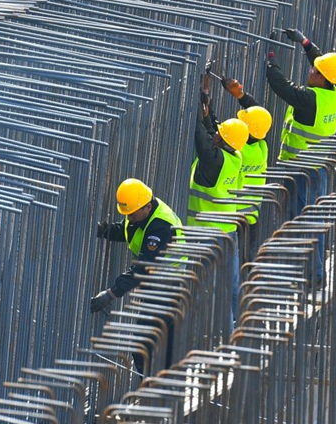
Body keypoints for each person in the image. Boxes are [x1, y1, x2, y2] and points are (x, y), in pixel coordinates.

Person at [265, 28, 336, 286]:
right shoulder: (333, 93)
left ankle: (308, 275)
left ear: (323, 78)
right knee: (313, 219)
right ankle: (314, 273)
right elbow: (322, 63)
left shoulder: (309, 99)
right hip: (317, 169)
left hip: (300, 171)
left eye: (315, 70)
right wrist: (305, 42)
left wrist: (270, 58)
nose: (310, 70)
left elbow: (280, 85)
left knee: (299, 221)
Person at [90, 178, 184, 373]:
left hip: (167, 284)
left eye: (132, 214)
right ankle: (161, 382)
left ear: (147, 207)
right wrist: (103, 230)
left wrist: (111, 293)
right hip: (155, 281)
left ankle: (156, 385)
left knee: (144, 346)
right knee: (157, 343)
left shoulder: (160, 226)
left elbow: (143, 267)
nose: (129, 218)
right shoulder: (139, 212)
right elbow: (128, 230)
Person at [187, 88, 249, 331]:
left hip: (206, 235)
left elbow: (201, 136)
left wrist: (193, 104)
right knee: (230, 288)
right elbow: (212, 133)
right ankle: (235, 333)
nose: (215, 134)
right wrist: (207, 110)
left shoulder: (214, 160)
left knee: (210, 291)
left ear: (222, 142)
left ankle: (223, 336)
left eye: (219, 135)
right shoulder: (235, 156)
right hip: (227, 232)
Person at [218, 77, 273, 229]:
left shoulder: (239, 149)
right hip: (252, 214)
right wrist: (240, 96)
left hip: (234, 214)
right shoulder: (261, 146)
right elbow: (259, 117)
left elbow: (215, 134)